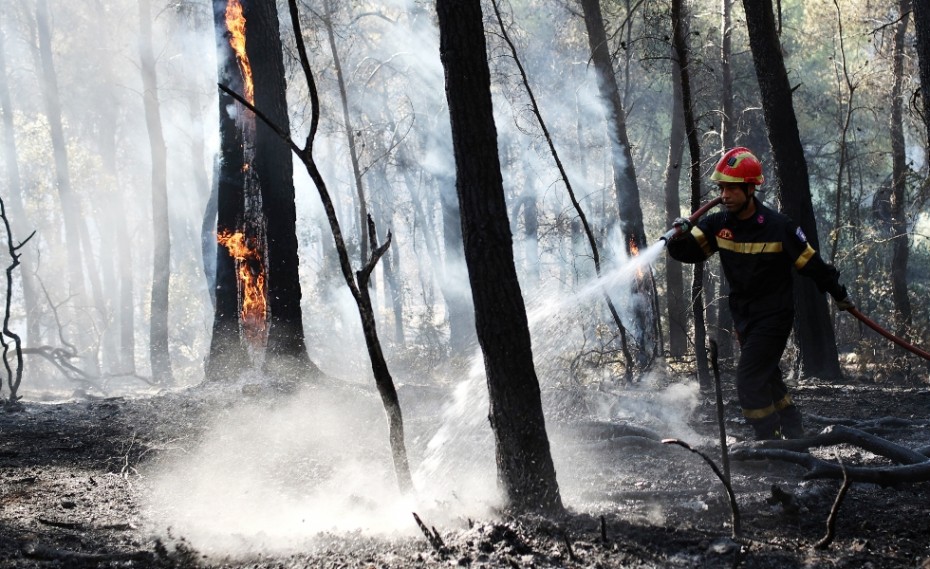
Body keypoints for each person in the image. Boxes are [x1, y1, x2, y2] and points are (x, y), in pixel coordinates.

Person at [665, 147, 853, 440]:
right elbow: (691, 252)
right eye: (722, 188)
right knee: (767, 375)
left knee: (749, 381)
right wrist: (676, 239)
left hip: (774, 316)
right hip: (745, 317)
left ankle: (769, 440)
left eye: (732, 189)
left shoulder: (779, 228)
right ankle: (793, 427)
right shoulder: (718, 225)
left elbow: (812, 264)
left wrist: (838, 294)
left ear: (751, 189)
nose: (724, 195)